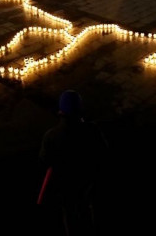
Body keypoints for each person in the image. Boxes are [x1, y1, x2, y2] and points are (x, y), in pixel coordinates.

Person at [38, 90, 108, 236]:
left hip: (65, 183)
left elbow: (45, 159)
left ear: (61, 111)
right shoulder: (92, 130)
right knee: (88, 208)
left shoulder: (51, 136)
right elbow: (103, 152)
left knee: (69, 212)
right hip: (88, 181)